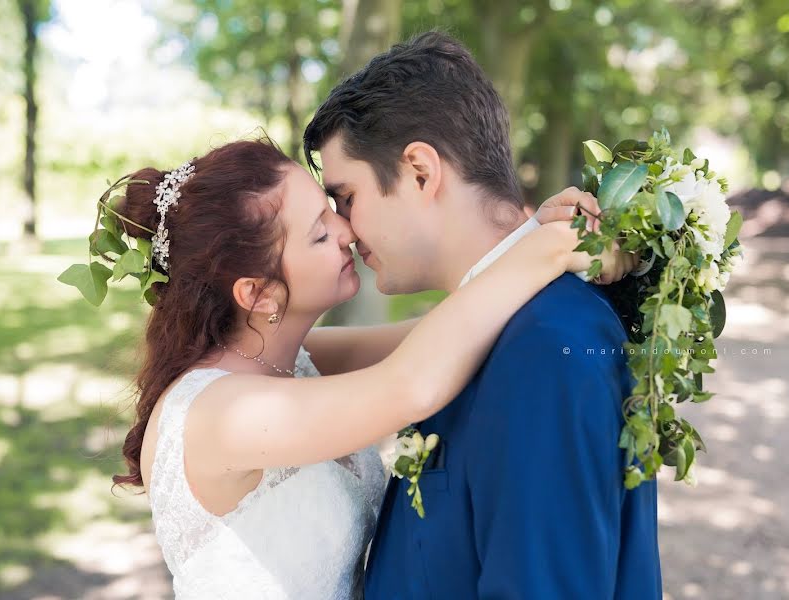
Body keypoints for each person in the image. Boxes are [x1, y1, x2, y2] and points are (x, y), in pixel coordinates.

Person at [109, 137, 633, 598]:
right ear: (258, 293)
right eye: (317, 233)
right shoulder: (221, 412)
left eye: (331, 207)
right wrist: (548, 251)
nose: (346, 231)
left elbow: (451, 332)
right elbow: (411, 383)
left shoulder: (291, 361)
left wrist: (526, 236)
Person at [303, 31, 663, 599]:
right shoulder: (487, 321)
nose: (343, 228)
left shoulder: (547, 347)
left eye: (345, 198)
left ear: (421, 171)